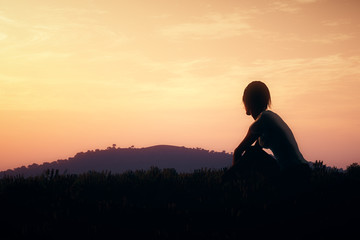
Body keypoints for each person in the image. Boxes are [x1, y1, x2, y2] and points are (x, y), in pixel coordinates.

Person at [223, 81, 309, 182]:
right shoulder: (271, 117)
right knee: (253, 153)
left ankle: (232, 185)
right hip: (304, 171)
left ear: (249, 104)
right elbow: (255, 151)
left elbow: (238, 151)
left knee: (251, 153)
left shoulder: (263, 119)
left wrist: (231, 178)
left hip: (292, 173)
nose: (246, 112)